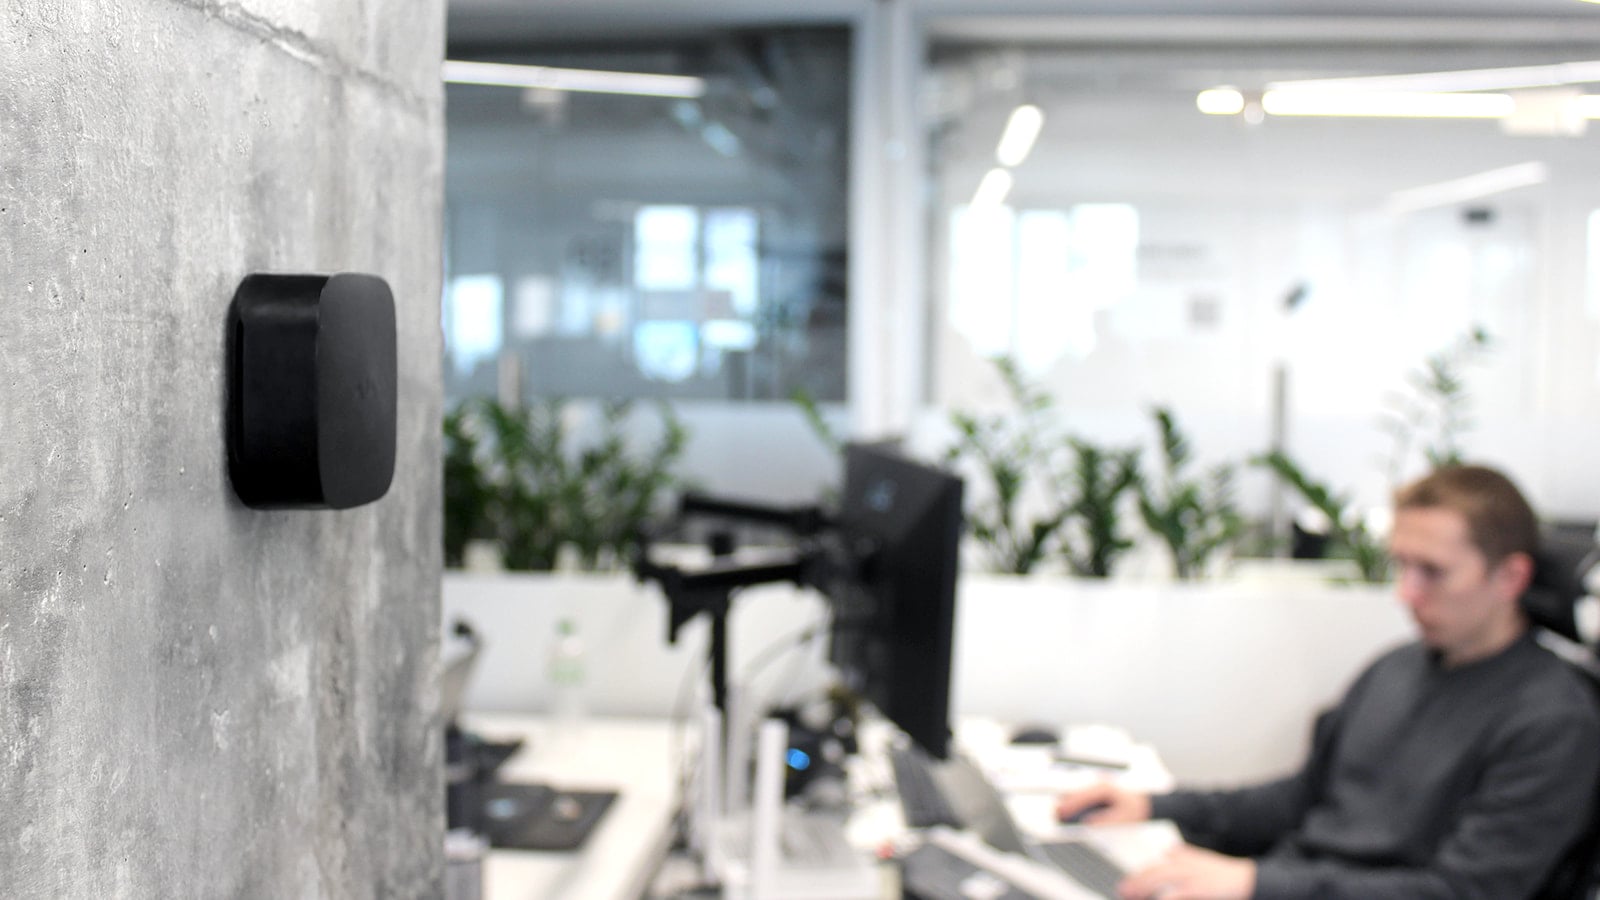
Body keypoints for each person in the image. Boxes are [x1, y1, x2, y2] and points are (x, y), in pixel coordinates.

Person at [1057, 465, 1600, 900]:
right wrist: (1156, 807)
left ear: (1510, 577)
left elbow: (1463, 891)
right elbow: (1303, 799)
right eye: (1401, 565)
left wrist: (1257, 884)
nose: (1406, 593)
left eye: (1432, 571)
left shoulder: (1552, 720)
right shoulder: (1397, 668)